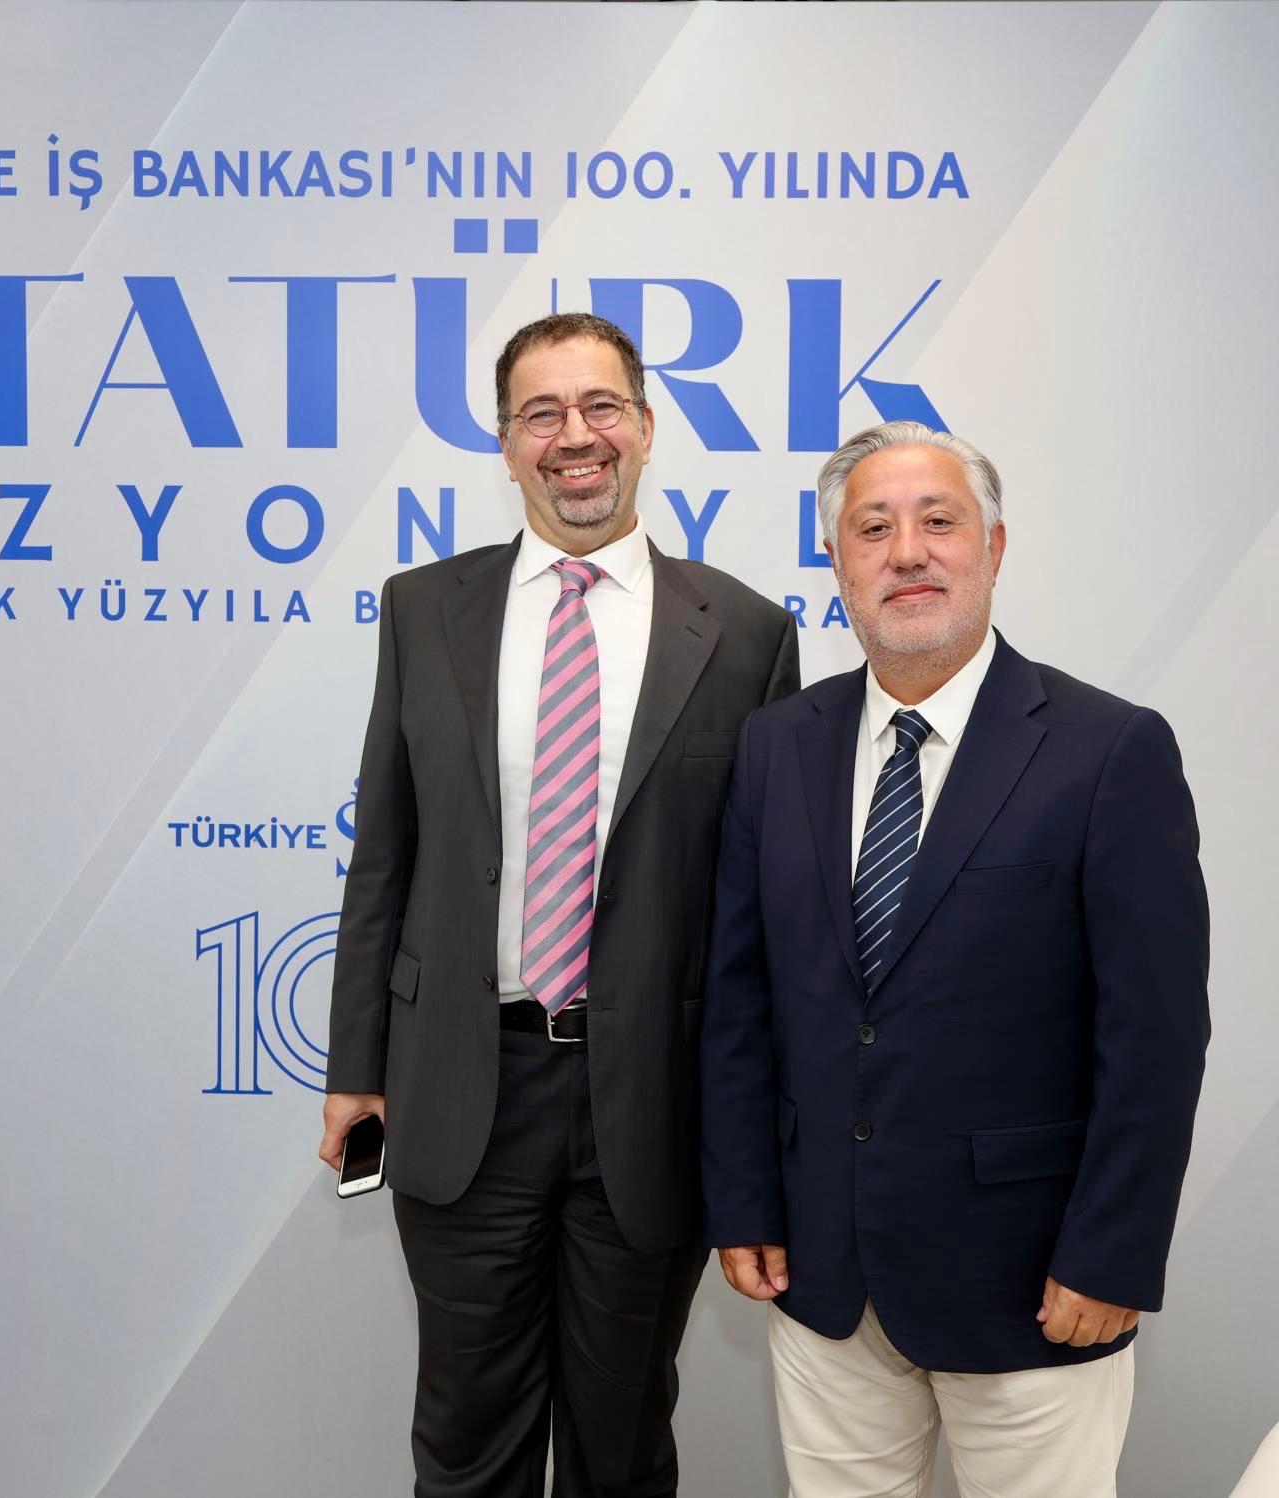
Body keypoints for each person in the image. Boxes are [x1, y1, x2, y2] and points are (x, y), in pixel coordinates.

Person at [321, 312, 798, 1497]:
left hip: (652, 1103)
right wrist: (355, 1069)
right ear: (505, 442)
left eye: (599, 407)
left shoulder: (746, 632)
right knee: (466, 1446)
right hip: (462, 1087)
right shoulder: (423, 608)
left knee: (619, 1448)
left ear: (644, 426)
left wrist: (760, 1122)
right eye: (541, 413)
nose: (573, 435)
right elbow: (384, 857)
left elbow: (760, 913)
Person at [699, 419, 1210, 1497]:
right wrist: (743, 1200)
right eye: (872, 529)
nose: (908, 552)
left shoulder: (1109, 748)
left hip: (1034, 1287)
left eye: (939, 522)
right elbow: (740, 996)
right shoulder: (776, 744)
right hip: (824, 1279)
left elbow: (1155, 1035)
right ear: (836, 562)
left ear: (994, 546)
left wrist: (1111, 1252)